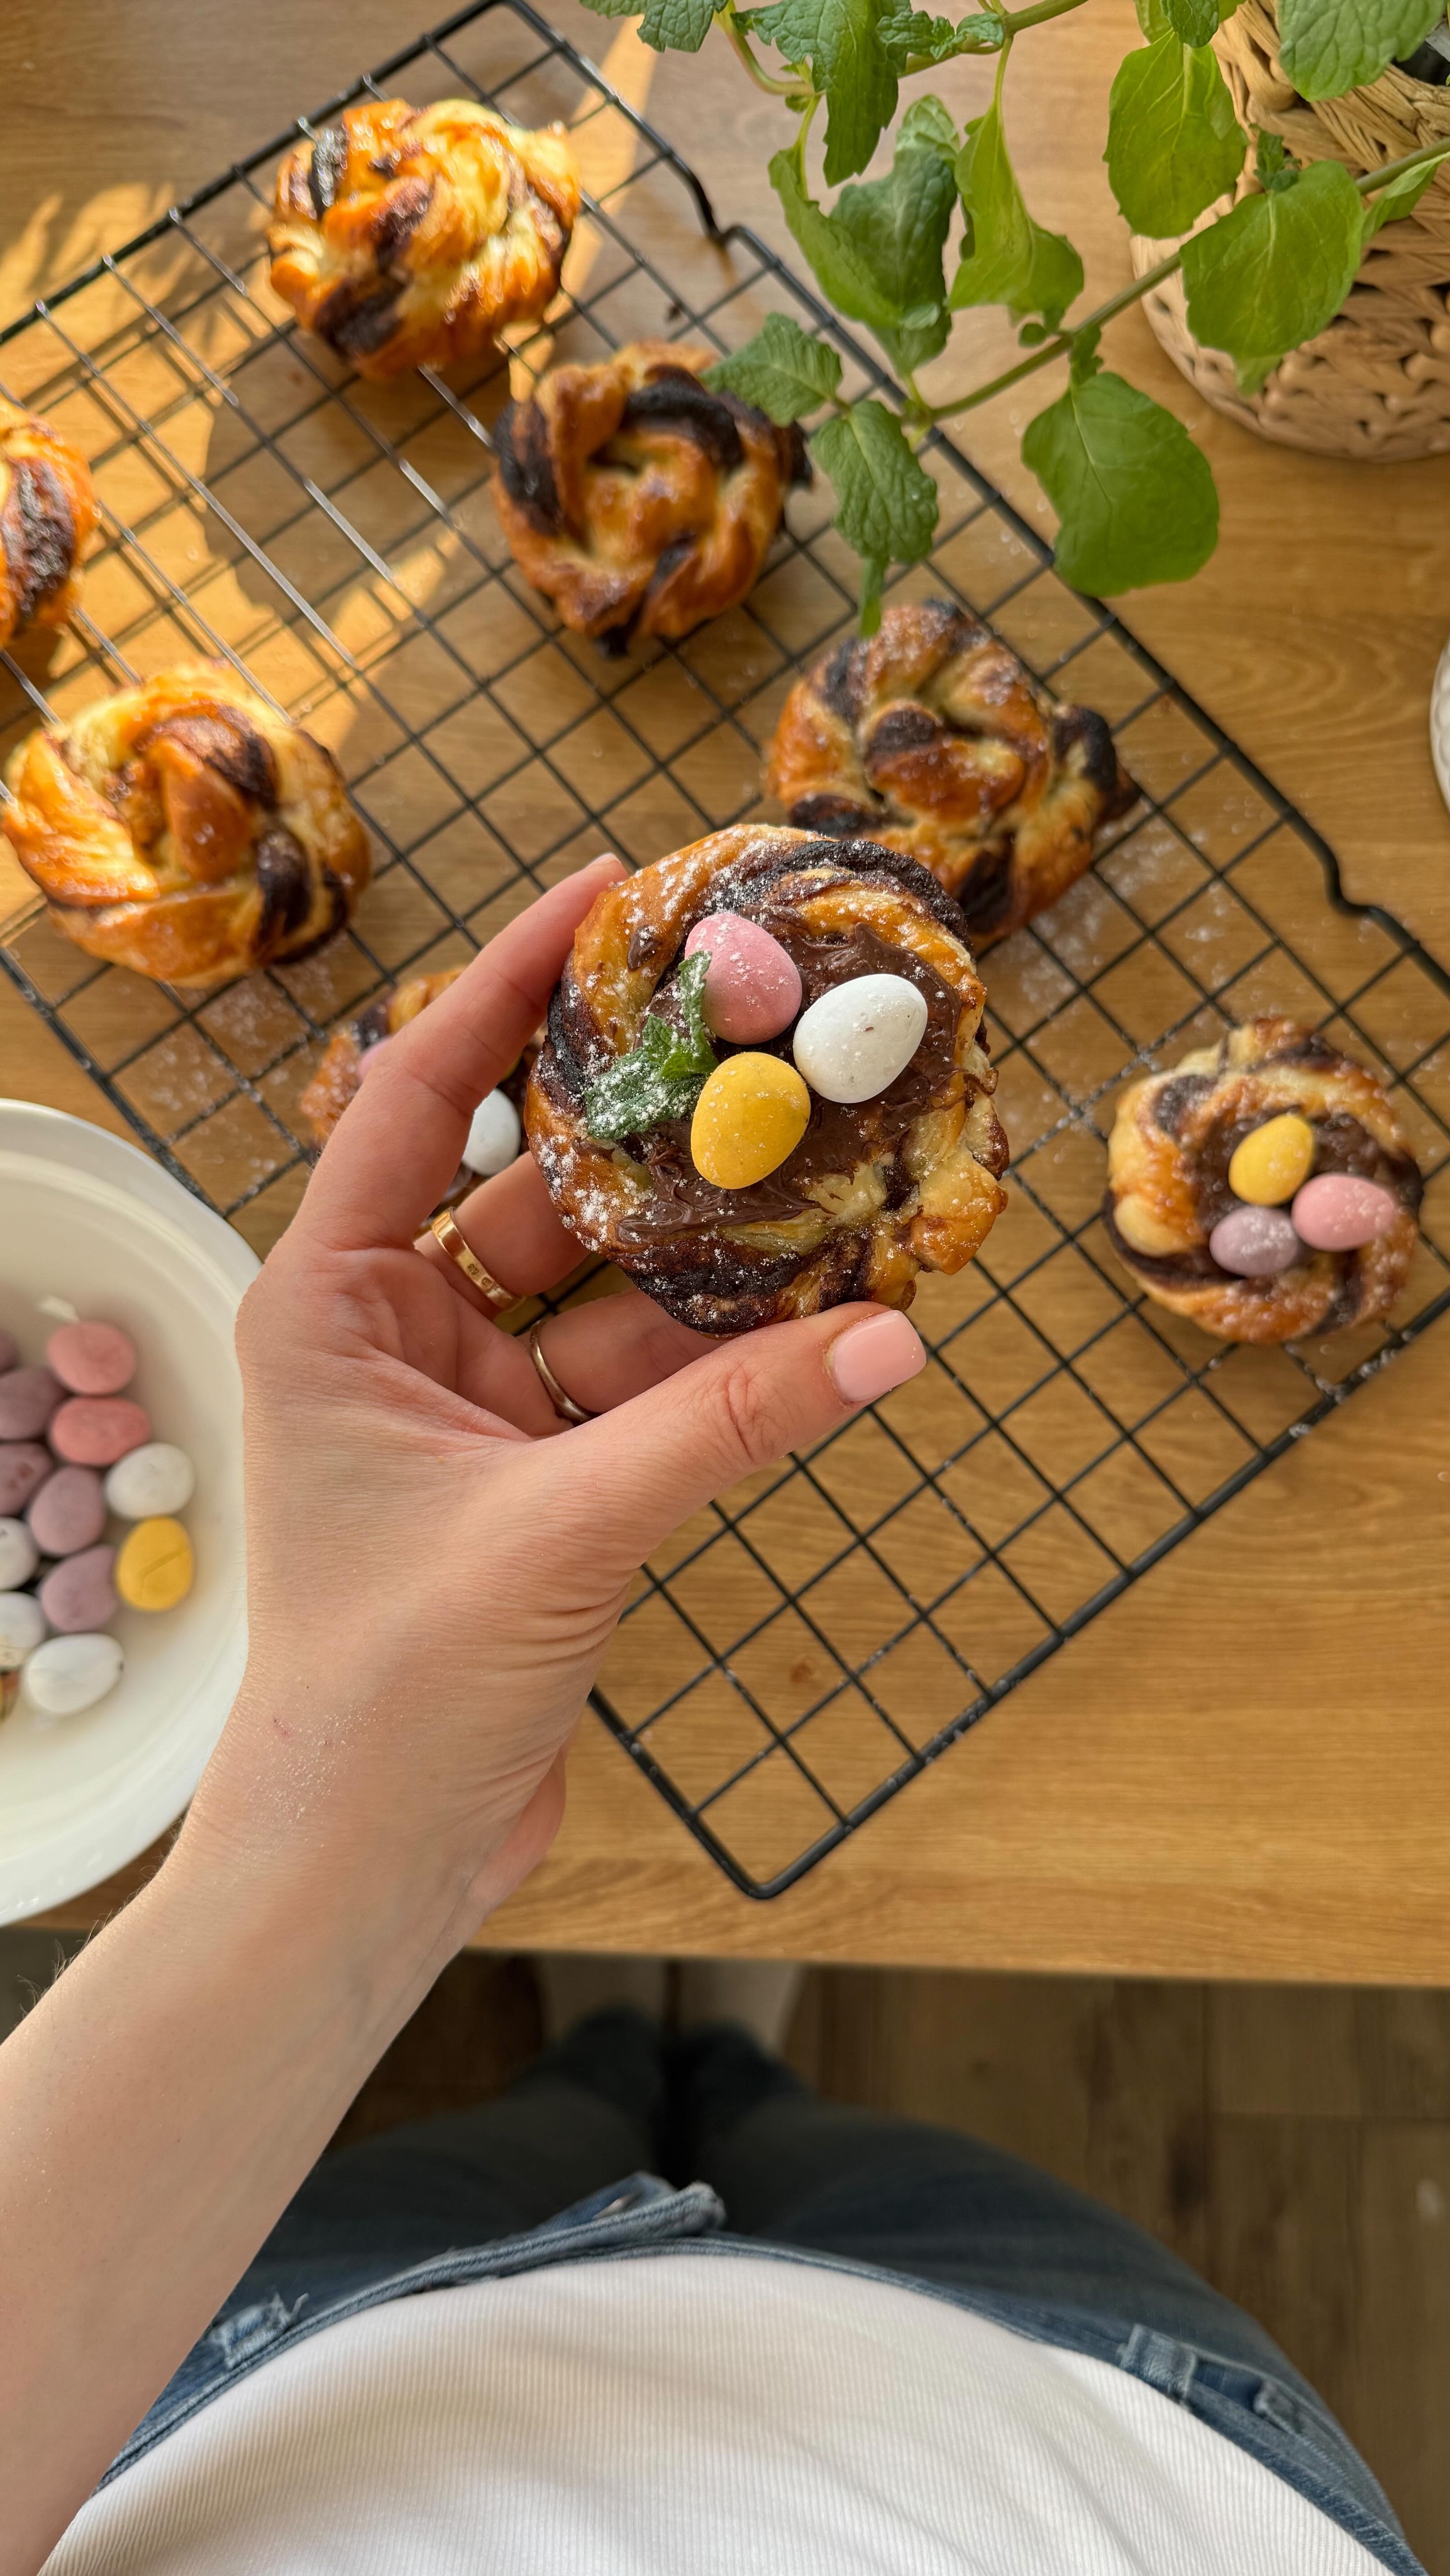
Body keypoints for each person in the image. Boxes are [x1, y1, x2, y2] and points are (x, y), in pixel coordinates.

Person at [1, 858, 1419, 2576]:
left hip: (295, 2356)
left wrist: (352, 1872)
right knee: (848, 2161)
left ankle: (624, 2054)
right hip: (1099, 2436)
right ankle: (728, 2067)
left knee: (543, 2128)